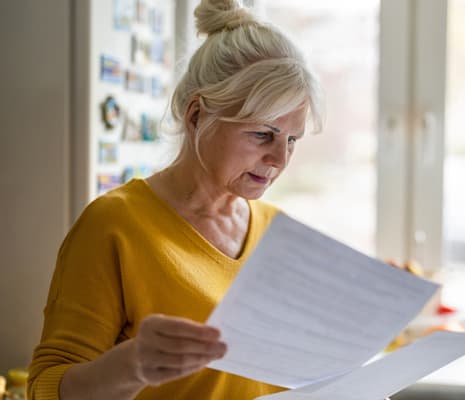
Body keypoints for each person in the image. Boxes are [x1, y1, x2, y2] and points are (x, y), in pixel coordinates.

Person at [27, 0, 323, 398]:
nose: (279, 159)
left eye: (292, 140)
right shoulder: (115, 225)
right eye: (262, 134)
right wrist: (132, 366)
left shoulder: (279, 231)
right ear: (196, 114)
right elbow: (46, 389)